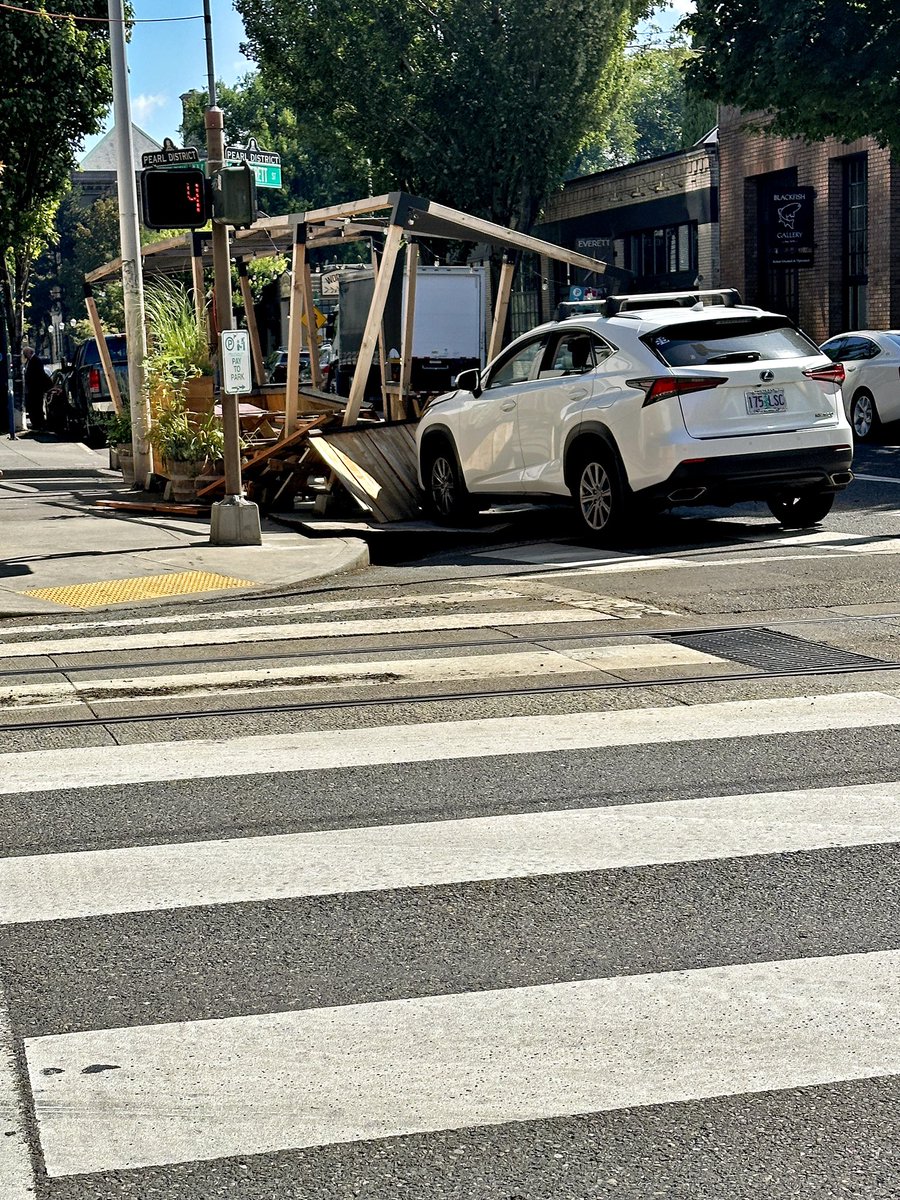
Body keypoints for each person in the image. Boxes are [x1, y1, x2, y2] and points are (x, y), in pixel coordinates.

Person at [23, 346, 50, 432]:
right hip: (33, 388)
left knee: (37, 406)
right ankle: (36, 423)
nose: (24, 356)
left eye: (25, 353)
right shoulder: (30, 360)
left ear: (29, 353)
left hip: (36, 388)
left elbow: (39, 374)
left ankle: (39, 424)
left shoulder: (36, 360)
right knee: (34, 406)